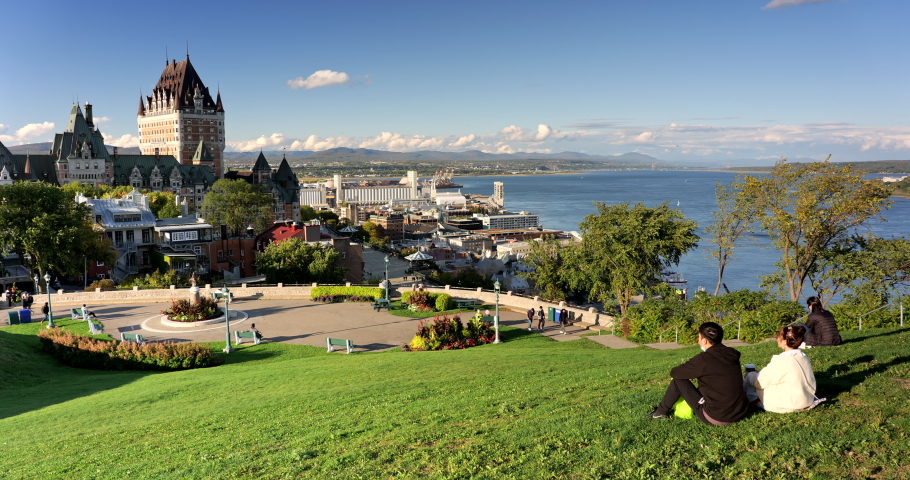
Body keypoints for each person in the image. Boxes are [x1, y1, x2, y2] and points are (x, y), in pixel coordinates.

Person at [647, 322, 749, 425]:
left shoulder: (704, 359)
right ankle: (660, 412)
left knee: (678, 381)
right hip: (740, 412)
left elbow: (675, 372)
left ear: (704, 340)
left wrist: (690, 374)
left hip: (717, 416)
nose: (698, 341)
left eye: (699, 338)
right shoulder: (731, 354)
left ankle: (660, 412)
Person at [744, 325, 818, 413]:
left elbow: (760, 383)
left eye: (778, 335)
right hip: (806, 400)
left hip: (787, 405)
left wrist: (749, 374)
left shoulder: (782, 360)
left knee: (747, 384)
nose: (777, 338)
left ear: (784, 341)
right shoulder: (803, 356)